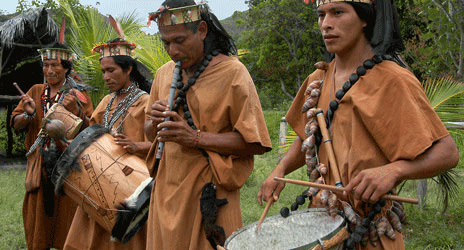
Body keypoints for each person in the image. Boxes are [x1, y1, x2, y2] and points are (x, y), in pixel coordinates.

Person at [258, 0, 459, 249]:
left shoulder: (392, 79)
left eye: (338, 12)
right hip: (323, 227)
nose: (326, 24)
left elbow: (447, 152)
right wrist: (281, 169)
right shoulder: (318, 79)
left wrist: (393, 171)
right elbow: (309, 135)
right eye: (321, 15)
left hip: (370, 232)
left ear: (365, 18)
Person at [144, 1, 272, 249]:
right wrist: (155, 123)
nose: (172, 50)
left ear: (202, 30)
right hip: (166, 193)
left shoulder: (233, 73)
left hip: (210, 196)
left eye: (179, 41)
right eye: (166, 42)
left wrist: (195, 138)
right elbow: (149, 133)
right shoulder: (163, 74)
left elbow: (254, 143)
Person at [62, 37, 152, 249]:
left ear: (128, 68)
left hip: (132, 187)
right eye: (103, 71)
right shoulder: (106, 102)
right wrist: (75, 117)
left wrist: (137, 146)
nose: (106, 77)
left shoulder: (145, 102)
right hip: (99, 181)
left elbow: (161, 148)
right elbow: (90, 135)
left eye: (111, 71)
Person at [11, 40, 94, 249]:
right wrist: (29, 115)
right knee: (37, 221)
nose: (49, 70)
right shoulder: (35, 90)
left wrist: (76, 111)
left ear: (66, 68)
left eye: (55, 65)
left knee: (68, 218)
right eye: (46, 65)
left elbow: (92, 132)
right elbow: (16, 123)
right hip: (39, 166)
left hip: (68, 166)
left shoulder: (78, 95)